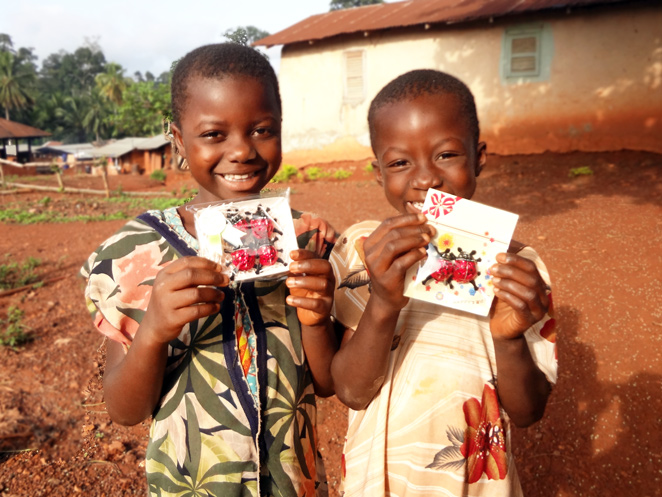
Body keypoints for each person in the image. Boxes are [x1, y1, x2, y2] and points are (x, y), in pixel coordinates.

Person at [81, 43, 338, 497]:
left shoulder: (303, 243)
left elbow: (325, 383)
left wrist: (317, 315)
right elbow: (125, 409)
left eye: (261, 129)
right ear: (179, 140)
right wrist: (153, 331)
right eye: (214, 134)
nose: (241, 151)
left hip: (293, 484)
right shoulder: (136, 254)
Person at [329, 69, 557, 496]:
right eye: (400, 162)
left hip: (477, 483)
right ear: (377, 172)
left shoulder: (517, 267)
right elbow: (350, 390)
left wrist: (507, 339)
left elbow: (527, 411)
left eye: (446, 155)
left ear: (479, 157)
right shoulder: (362, 250)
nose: (426, 179)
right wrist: (381, 301)